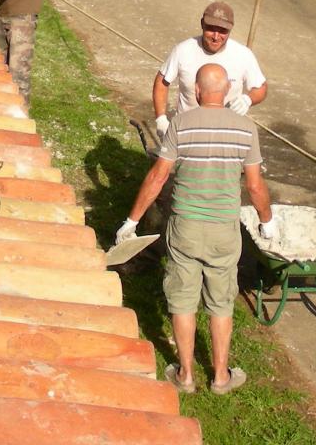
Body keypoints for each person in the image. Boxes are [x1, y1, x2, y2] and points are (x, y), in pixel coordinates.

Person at [116, 63, 276, 395]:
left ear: (198, 92)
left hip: (185, 227)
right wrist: (266, 221)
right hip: (223, 230)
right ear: (229, 91)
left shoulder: (181, 124)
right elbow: (256, 187)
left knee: (183, 300)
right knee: (221, 304)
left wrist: (131, 221)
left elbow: (158, 177)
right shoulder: (246, 129)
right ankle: (220, 377)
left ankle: (185, 375)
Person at [152, 1, 266, 135]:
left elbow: (261, 88)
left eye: (223, 31)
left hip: (228, 134)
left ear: (230, 29)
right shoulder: (183, 50)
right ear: (202, 24)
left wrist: (248, 100)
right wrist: (161, 119)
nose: (216, 37)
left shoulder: (243, 55)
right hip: (187, 131)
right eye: (211, 29)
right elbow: (162, 82)